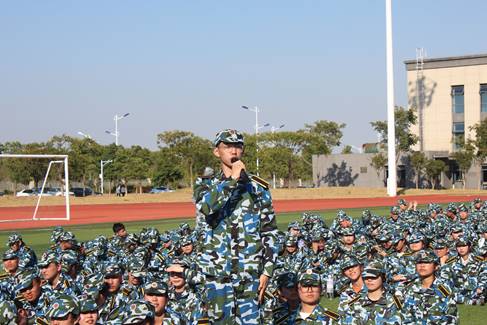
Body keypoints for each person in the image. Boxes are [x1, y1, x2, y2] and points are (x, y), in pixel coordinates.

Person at [193, 129, 279, 324]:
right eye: (228, 146)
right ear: (217, 152)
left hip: (249, 273)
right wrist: (232, 179)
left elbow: (269, 230)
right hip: (217, 275)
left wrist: (267, 270)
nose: (233, 151)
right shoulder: (205, 185)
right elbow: (206, 207)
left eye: (238, 146)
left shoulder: (257, 187)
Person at [398, 250, 458, 324]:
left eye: (427, 262)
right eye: (419, 262)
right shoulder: (408, 289)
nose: (422, 265)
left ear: (436, 266)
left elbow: (451, 316)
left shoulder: (444, 288)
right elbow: (405, 317)